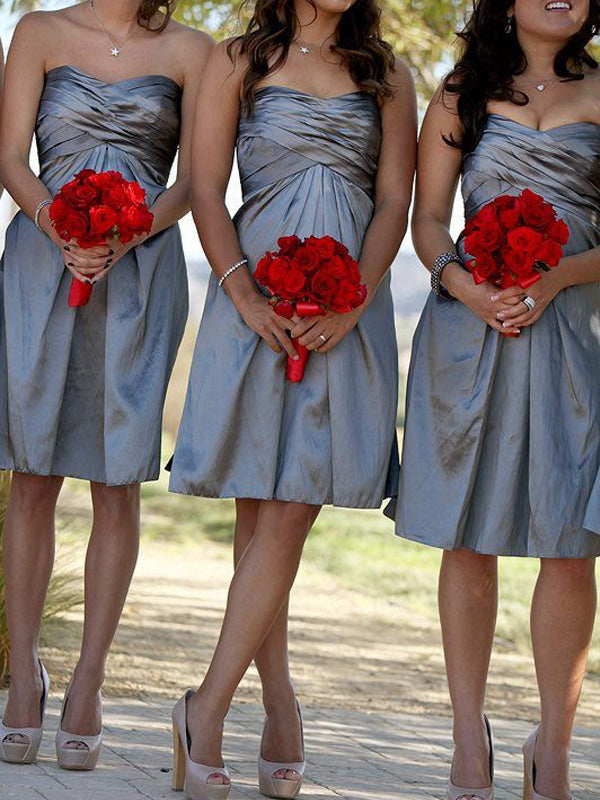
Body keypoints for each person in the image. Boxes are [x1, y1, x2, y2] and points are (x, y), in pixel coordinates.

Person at [167, 0, 417, 796]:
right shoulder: (237, 59)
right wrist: (243, 298)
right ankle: (277, 704)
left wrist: (357, 297)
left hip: (347, 309)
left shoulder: (389, 74)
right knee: (260, 506)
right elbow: (205, 188)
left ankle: (206, 709)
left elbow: (392, 205)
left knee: (293, 503)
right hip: (255, 298)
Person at [392, 2, 600, 799]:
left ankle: (555, 745)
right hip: (470, 333)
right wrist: (467, 289)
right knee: (469, 533)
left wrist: (556, 278)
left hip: (576, 336)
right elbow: (430, 220)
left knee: (569, 539)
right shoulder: (460, 95)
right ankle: (467, 737)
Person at [0, 0, 211, 770]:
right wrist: (61, 226)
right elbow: (10, 157)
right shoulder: (39, 32)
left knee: (116, 480)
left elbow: (198, 179)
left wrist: (127, 232)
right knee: (31, 474)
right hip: (38, 258)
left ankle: (89, 681)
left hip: (145, 263)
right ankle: (26, 679)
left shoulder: (196, 50)